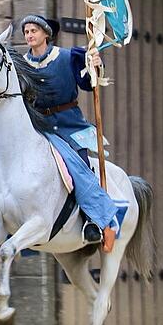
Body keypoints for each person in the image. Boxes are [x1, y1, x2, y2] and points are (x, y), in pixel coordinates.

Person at [19, 14, 119, 252]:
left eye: (34, 30)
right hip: (36, 126)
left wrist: (94, 65)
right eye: (26, 32)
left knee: (80, 167)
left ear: (46, 34)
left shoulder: (66, 57)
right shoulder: (20, 64)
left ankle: (95, 221)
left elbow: (87, 84)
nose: (29, 35)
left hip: (68, 125)